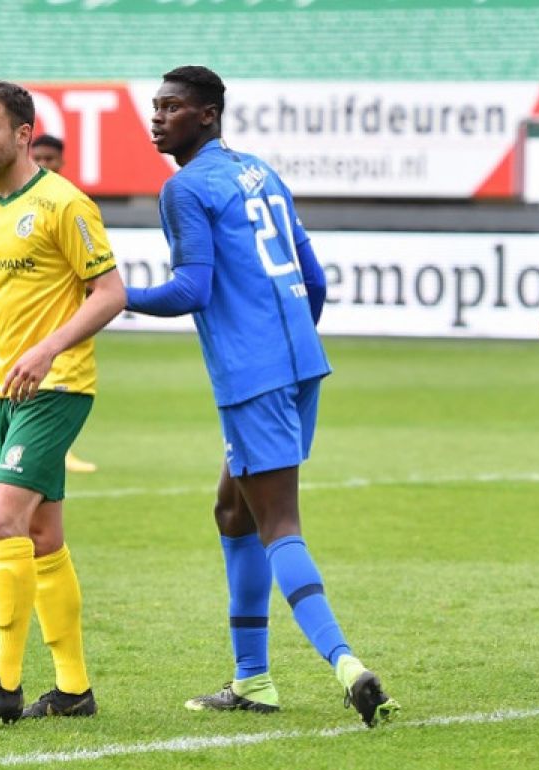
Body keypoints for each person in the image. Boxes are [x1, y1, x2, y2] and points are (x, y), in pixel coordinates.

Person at [123, 65, 399, 727]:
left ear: (208, 115)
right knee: (232, 510)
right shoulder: (259, 173)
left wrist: (116, 296)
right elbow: (315, 278)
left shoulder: (184, 189)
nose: (157, 117)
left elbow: (191, 289)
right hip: (300, 365)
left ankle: (347, 665)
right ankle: (253, 681)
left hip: (255, 377)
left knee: (278, 525)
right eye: (155, 106)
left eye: (172, 107)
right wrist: (292, 347)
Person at [0, 80, 126, 723]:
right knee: (42, 537)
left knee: (1, 521)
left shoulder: (63, 204)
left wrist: (48, 349)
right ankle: (73, 690)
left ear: (23, 134)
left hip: (59, 384)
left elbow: (110, 292)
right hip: (6, 393)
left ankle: (4, 683)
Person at [31, 133, 99, 475]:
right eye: (38, 158)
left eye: (50, 160)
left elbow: (98, 275)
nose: (44, 165)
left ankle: (59, 451)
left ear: (62, 162)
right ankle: (56, 453)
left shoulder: (72, 205)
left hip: (67, 328)